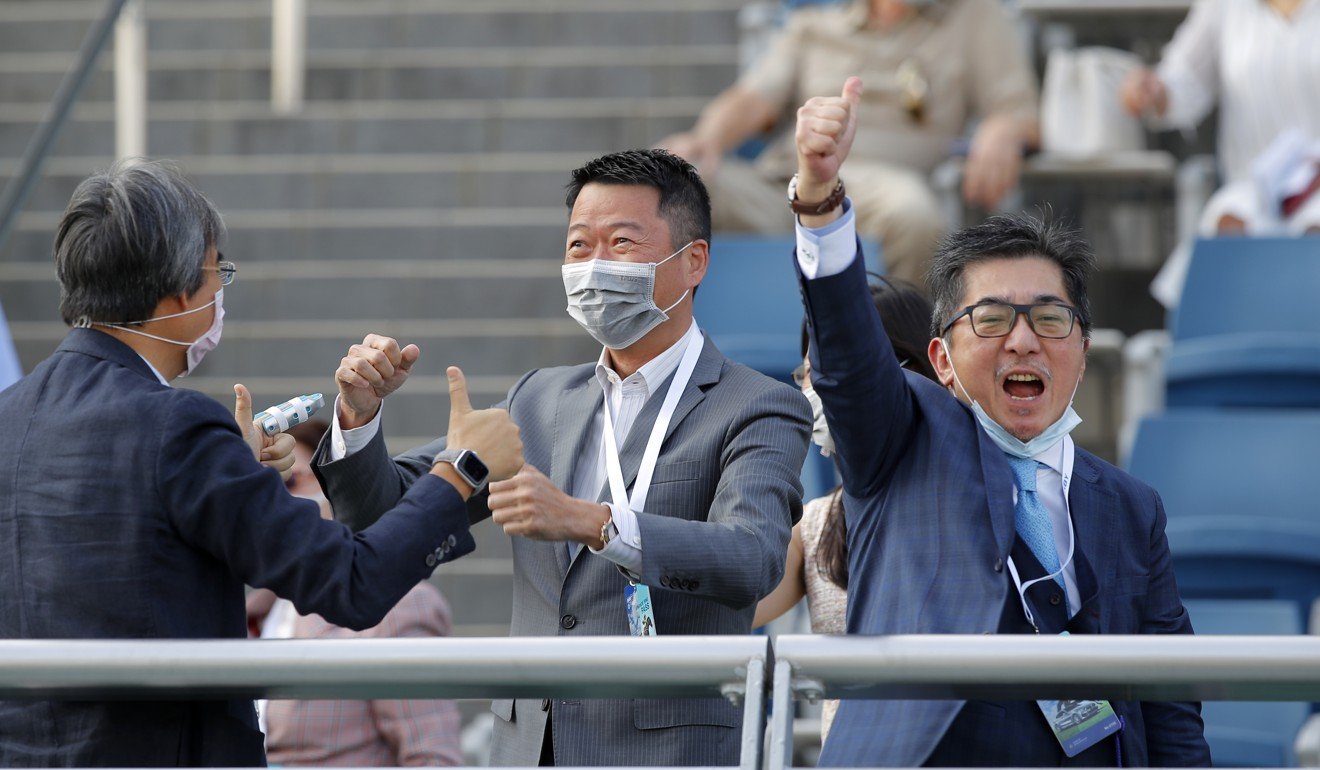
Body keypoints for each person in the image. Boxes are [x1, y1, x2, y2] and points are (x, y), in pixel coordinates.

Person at [0, 159, 522, 767]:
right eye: (217, 272)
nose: (221, 291)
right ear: (177, 291)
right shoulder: (179, 426)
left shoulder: (11, 413)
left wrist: (227, 468)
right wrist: (462, 470)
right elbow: (351, 583)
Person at [313, 148, 812, 766]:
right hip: (532, 747)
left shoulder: (756, 404)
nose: (594, 265)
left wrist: (594, 523)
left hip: (673, 748)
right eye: (579, 246)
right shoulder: (539, 397)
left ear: (694, 262)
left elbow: (753, 558)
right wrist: (359, 420)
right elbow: (381, 517)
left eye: (621, 242)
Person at [789, 79, 1211, 766]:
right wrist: (820, 201)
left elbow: (1169, 707)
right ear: (942, 361)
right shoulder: (900, 449)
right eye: (990, 320)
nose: (1023, 341)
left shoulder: (1134, 509)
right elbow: (846, 356)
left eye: (1051, 319)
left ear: (1082, 349)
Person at [658, 0, 1039, 286]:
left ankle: (897, 365)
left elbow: (1022, 111)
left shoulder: (973, 18)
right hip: (784, 185)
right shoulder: (813, 26)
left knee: (913, 215)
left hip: (881, 191)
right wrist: (704, 141)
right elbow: (753, 100)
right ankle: (666, 361)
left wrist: (1002, 130)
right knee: (669, 190)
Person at [752, 275, 936, 742]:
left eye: (832, 372)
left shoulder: (980, 502)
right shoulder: (814, 525)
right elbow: (723, 611)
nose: (814, 390)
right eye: (807, 375)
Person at [248, 419, 463, 767]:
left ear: (337, 487)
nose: (281, 499)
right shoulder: (259, 609)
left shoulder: (401, 605)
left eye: (291, 480)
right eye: (268, 485)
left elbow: (432, 755)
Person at [1120, 0, 1320, 235]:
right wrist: (1153, 91)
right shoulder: (1222, 5)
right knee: (1227, 223)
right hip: (1250, 189)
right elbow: (1183, 81)